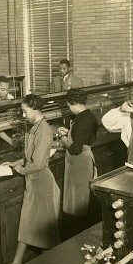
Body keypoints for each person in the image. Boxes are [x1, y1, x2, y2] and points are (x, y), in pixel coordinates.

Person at [2, 94, 60, 264]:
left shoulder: (44, 131)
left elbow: (38, 164)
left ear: (35, 110)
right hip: (34, 180)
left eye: (25, 111)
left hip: (41, 182)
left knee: (41, 228)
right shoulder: (34, 127)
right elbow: (31, 157)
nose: (23, 115)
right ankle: (18, 263)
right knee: (28, 223)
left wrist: (20, 170)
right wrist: (17, 162)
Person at [57, 88, 99, 219]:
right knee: (85, 195)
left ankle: (77, 225)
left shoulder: (79, 121)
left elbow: (75, 149)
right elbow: (85, 136)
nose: (70, 109)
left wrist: (63, 139)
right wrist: (69, 132)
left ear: (74, 103)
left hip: (79, 163)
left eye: (69, 106)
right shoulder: (90, 116)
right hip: (87, 158)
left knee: (77, 199)